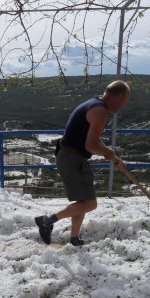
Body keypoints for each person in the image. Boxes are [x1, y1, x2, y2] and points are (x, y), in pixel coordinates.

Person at [35, 80, 131, 246]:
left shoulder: (95, 103)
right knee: (90, 203)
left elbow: (92, 141)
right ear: (119, 97)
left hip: (71, 156)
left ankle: (74, 238)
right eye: (124, 101)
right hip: (71, 157)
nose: (123, 106)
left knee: (83, 202)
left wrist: (114, 159)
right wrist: (109, 153)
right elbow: (91, 145)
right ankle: (47, 221)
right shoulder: (100, 111)